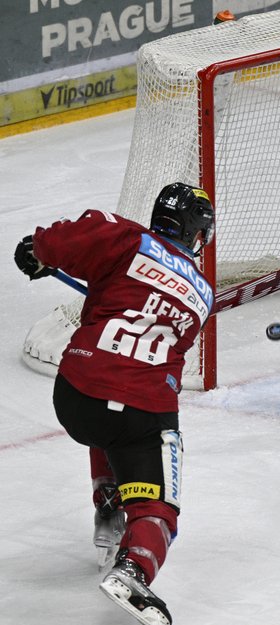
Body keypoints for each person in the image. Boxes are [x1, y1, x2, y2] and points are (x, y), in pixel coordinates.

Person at [14, 182, 215, 625]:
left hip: (75, 395)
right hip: (140, 410)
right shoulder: (202, 293)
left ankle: (108, 502)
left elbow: (64, 240)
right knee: (159, 508)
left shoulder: (127, 239)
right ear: (196, 233)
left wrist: (38, 250)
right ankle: (134, 568)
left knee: (109, 409)